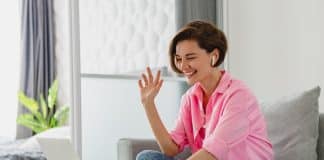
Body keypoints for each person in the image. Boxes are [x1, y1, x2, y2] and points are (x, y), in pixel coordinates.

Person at [136, 20, 273, 160]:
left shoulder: (239, 95)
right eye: (178, 59)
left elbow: (212, 152)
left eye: (190, 57)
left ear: (214, 56)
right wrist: (148, 104)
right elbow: (171, 149)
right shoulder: (190, 98)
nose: (183, 66)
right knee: (147, 157)